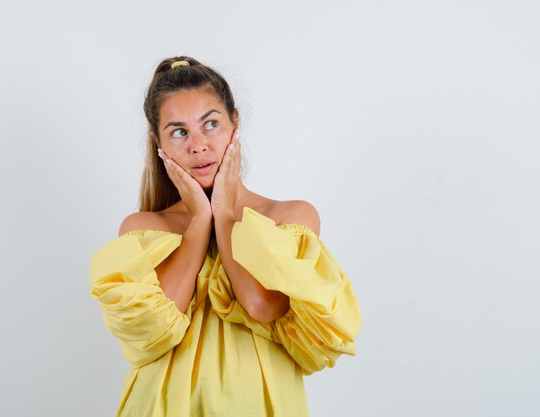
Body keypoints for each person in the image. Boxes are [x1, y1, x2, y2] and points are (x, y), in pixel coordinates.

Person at [89, 56, 362, 417]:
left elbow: (262, 306)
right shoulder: (142, 231)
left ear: (235, 123)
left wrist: (227, 212)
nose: (198, 145)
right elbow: (156, 330)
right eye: (179, 132)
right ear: (159, 143)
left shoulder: (289, 218)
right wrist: (200, 220)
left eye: (211, 124)